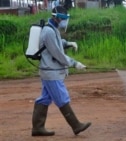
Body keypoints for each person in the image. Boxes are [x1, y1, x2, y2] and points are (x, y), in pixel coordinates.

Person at [31, 6, 91, 136]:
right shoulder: (49, 32)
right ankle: (76, 125)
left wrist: (67, 43)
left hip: (50, 70)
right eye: (62, 18)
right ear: (55, 17)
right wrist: (74, 63)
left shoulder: (53, 29)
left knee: (45, 99)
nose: (64, 21)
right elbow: (58, 53)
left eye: (65, 18)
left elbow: (57, 43)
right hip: (51, 71)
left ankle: (37, 128)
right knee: (62, 98)